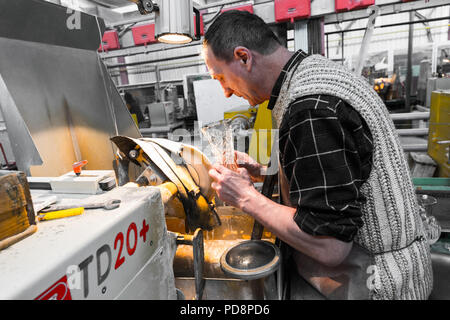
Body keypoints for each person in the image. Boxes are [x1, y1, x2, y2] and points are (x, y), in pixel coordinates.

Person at [203, 10, 433, 300]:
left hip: (379, 284)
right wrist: (269, 171)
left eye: (221, 77)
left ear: (244, 57)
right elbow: (343, 172)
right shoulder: (311, 72)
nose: (224, 92)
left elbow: (330, 245)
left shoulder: (309, 108)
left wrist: (245, 197)